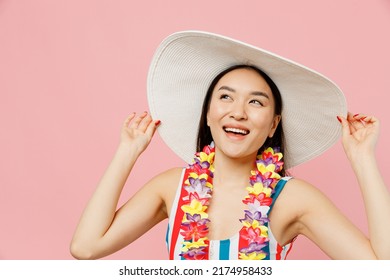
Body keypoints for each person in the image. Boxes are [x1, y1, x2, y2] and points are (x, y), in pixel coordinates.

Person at [70, 31, 390, 260]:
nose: (238, 111)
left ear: (273, 125)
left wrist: (363, 160)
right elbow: (85, 247)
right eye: (225, 97)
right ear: (208, 114)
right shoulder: (172, 188)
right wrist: (127, 152)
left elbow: (381, 267)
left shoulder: (293, 198)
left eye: (255, 102)